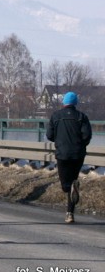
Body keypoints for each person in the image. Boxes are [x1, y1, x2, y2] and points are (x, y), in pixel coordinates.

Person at [46, 91, 92, 224]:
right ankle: (70, 213)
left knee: (65, 185)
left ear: (64, 102)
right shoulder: (82, 117)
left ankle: (70, 188)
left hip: (62, 154)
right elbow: (87, 135)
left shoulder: (56, 116)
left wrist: (59, 140)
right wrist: (81, 145)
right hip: (78, 154)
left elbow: (49, 135)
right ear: (75, 103)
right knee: (73, 180)